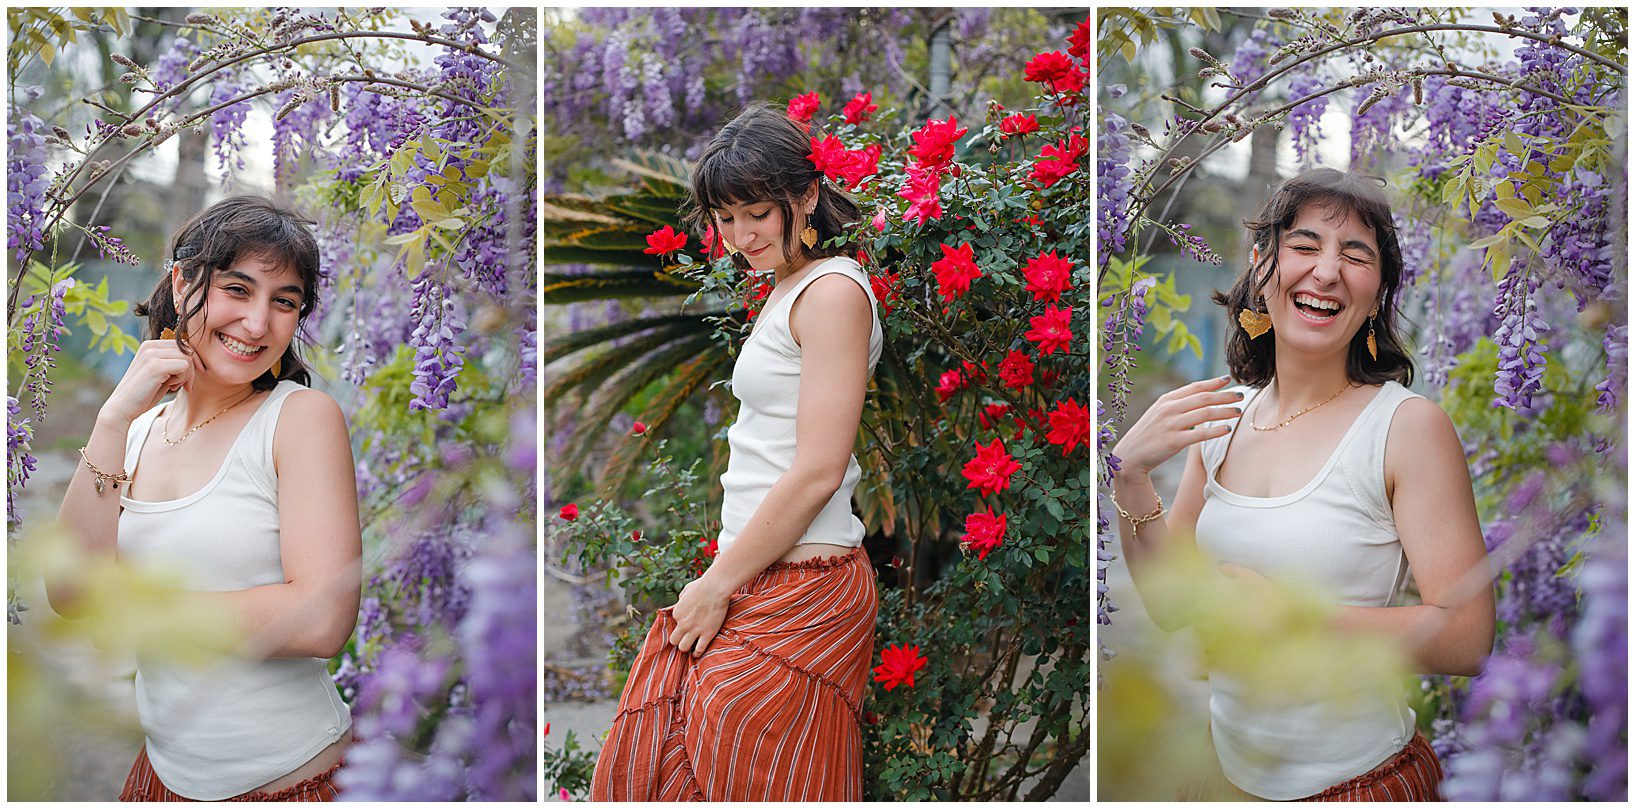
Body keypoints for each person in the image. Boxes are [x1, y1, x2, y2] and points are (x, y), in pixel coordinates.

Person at [1109, 168, 1495, 801]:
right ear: (1265, 267)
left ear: (1377, 296)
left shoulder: (1404, 428)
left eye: (1356, 255)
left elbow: (1467, 636)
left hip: (1359, 785)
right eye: (1306, 246)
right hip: (1225, 776)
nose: (1326, 272)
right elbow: (1173, 605)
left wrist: (1300, 619)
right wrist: (1129, 478)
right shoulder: (1222, 419)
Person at [590, 102, 883, 801]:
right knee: (667, 763)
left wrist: (714, 584)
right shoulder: (789, 288)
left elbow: (816, 469)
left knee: (741, 776)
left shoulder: (831, 291)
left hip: (805, 587)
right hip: (763, 577)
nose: (740, 235)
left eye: (756, 212)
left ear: (805, 195)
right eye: (725, 219)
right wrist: (727, 578)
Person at [45, 196, 363, 801]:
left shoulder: (297, 419)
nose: (256, 323)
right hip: (164, 776)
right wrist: (111, 420)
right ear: (183, 280)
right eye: (237, 289)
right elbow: (71, 593)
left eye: (284, 302)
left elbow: (323, 618)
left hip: (289, 783)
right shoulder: (137, 431)